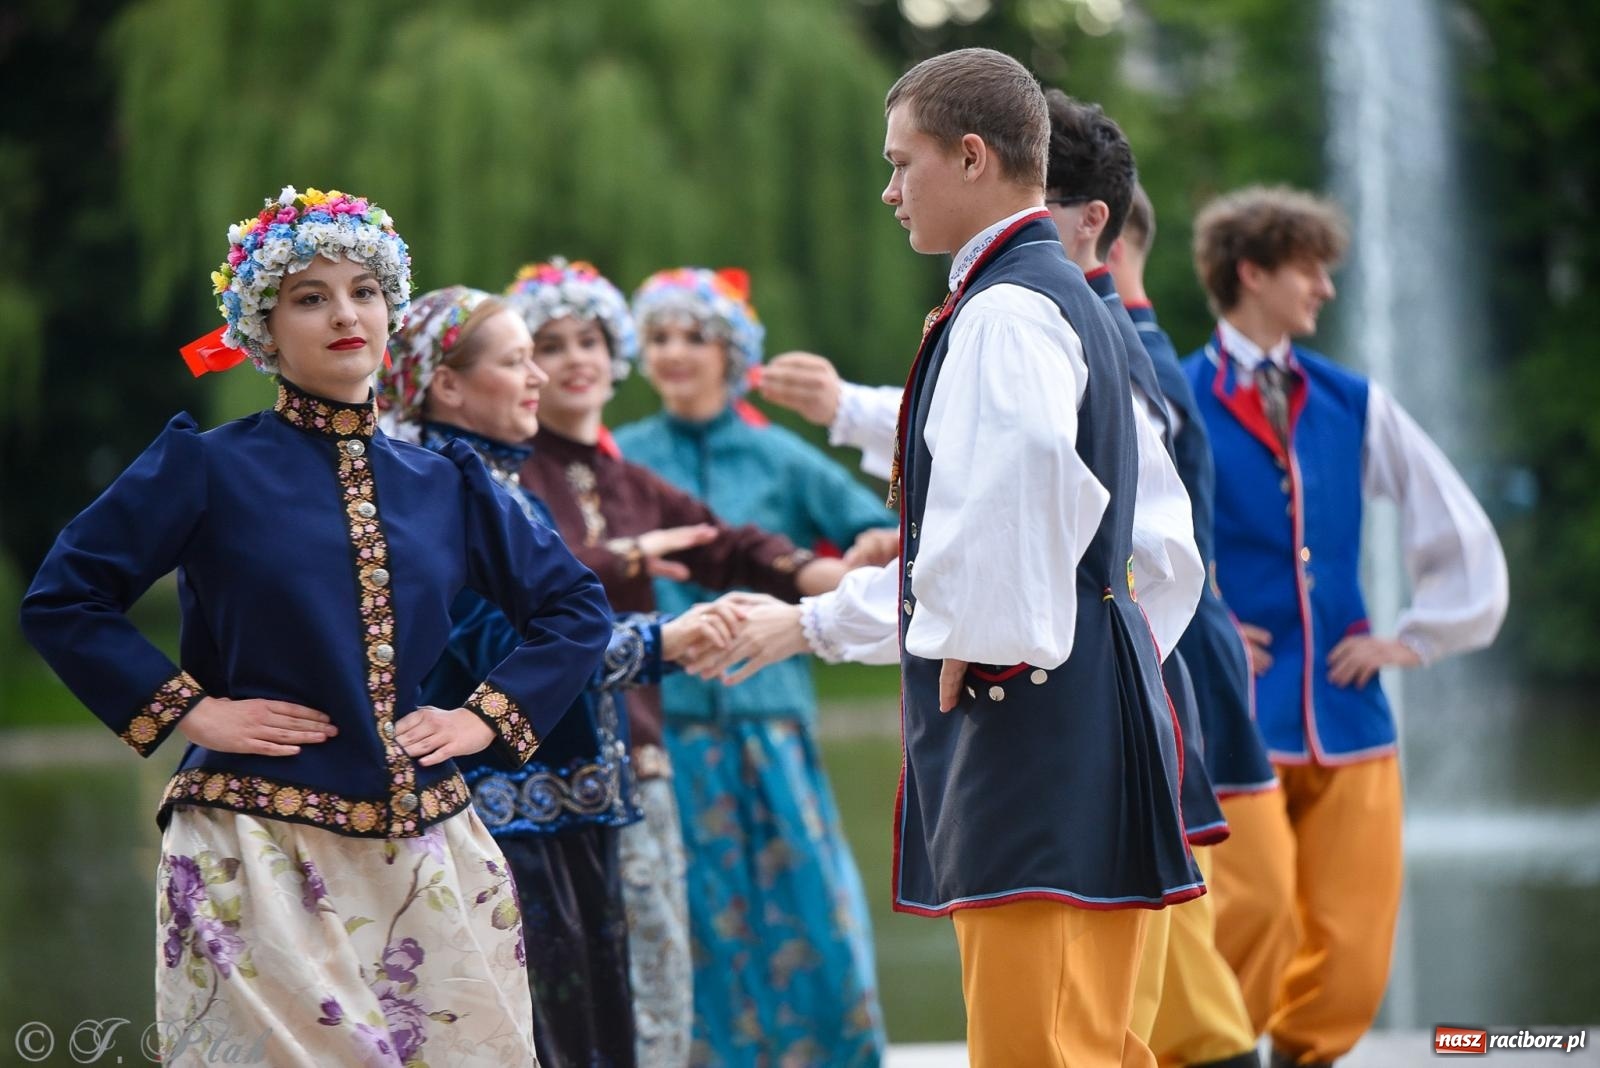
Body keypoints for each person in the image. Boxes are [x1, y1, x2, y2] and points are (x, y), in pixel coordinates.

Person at [20, 187, 613, 1067]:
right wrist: (191, 710)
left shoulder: (445, 481)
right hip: (250, 842)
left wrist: (480, 718)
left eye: (365, 292)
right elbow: (65, 598)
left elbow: (575, 609)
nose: (345, 313)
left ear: (389, 310)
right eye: (310, 296)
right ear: (263, 328)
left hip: (428, 843)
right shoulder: (204, 466)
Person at [739, 48, 1205, 1068]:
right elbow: (1160, 551)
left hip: (1022, 718)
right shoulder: (1076, 301)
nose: (888, 189)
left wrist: (983, 637)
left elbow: (1017, 497)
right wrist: (1093, 652)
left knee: (1034, 1047)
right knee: (1090, 1038)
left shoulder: (1002, 312)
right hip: (1091, 700)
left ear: (972, 155)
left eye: (902, 163)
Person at [502, 257, 868, 1068]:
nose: (575, 360)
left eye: (592, 340)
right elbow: (517, 588)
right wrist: (628, 558)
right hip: (540, 775)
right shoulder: (500, 475)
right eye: (549, 344)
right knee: (583, 991)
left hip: (657, 750)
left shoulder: (622, 474)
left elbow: (730, 547)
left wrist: (832, 583)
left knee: (671, 972)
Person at [1181, 185, 1509, 1068]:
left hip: (1349, 702)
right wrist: (1190, 623)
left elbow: (1451, 514)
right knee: (1259, 913)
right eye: (1308, 270)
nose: (1324, 288)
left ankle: (1303, 1058)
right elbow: (1123, 532)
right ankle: (1213, 1056)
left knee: (1358, 940)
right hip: (1238, 712)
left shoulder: (1349, 399)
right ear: (1252, 273)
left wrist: (1421, 634)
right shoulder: (1173, 396)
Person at [376, 283, 740, 1067]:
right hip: (509, 819)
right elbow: (495, 642)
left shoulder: (493, 487)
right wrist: (657, 642)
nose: (541, 375)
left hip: (559, 807)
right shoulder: (450, 492)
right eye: (519, 360)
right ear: (447, 385)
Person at [613, 266, 890, 1066]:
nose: (673, 352)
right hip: (668, 730)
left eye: (693, 336)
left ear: (733, 354)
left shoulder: (781, 459)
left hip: (771, 721)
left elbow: (880, 529)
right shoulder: (623, 460)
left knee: (811, 910)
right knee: (684, 919)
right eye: (658, 337)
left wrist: (868, 548)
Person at [1042, 94, 1260, 1068]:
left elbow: (1155, 550)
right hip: (1157, 661)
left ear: (1098, 226)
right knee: (1169, 949)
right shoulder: (1114, 336)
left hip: (1142, 668)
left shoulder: (1107, 341)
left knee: (1140, 951)